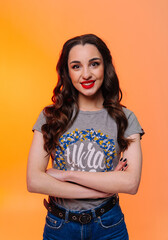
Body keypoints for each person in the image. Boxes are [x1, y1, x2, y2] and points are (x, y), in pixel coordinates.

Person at [27, 34, 144, 240]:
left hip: (109, 225)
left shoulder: (125, 118)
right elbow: (34, 181)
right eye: (76, 66)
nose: (86, 74)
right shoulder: (50, 117)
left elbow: (130, 183)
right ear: (67, 72)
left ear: (105, 67)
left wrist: (66, 175)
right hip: (59, 226)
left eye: (94, 64)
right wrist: (100, 190)